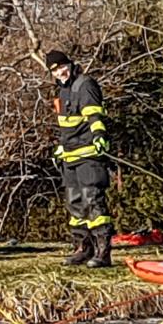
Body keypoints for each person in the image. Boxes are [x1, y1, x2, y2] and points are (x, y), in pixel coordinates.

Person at [45, 50, 113, 268]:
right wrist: (61, 148)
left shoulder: (85, 85)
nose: (59, 72)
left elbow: (94, 115)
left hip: (88, 155)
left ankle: (103, 252)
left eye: (61, 67)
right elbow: (66, 126)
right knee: (75, 205)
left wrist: (99, 136)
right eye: (54, 70)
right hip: (70, 157)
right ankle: (83, 248)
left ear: (70, 64)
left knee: (93, 201)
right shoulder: (62, 91)